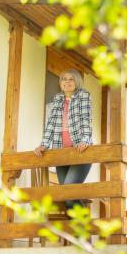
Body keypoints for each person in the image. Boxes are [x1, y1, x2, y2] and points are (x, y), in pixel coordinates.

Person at [34, 69, 93, 212]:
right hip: (61, 153)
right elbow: (51, 123)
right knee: (67, 196)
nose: (67, 82)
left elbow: (86, 119)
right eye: (64, 79)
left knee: (68, 192)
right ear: (60, 83)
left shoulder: (83, 96)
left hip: (80, 151)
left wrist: (85, 140)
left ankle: (82, 229)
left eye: (71, 79)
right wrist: (44, 144)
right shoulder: (58, 98)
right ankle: (80, 230)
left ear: (77, 82)